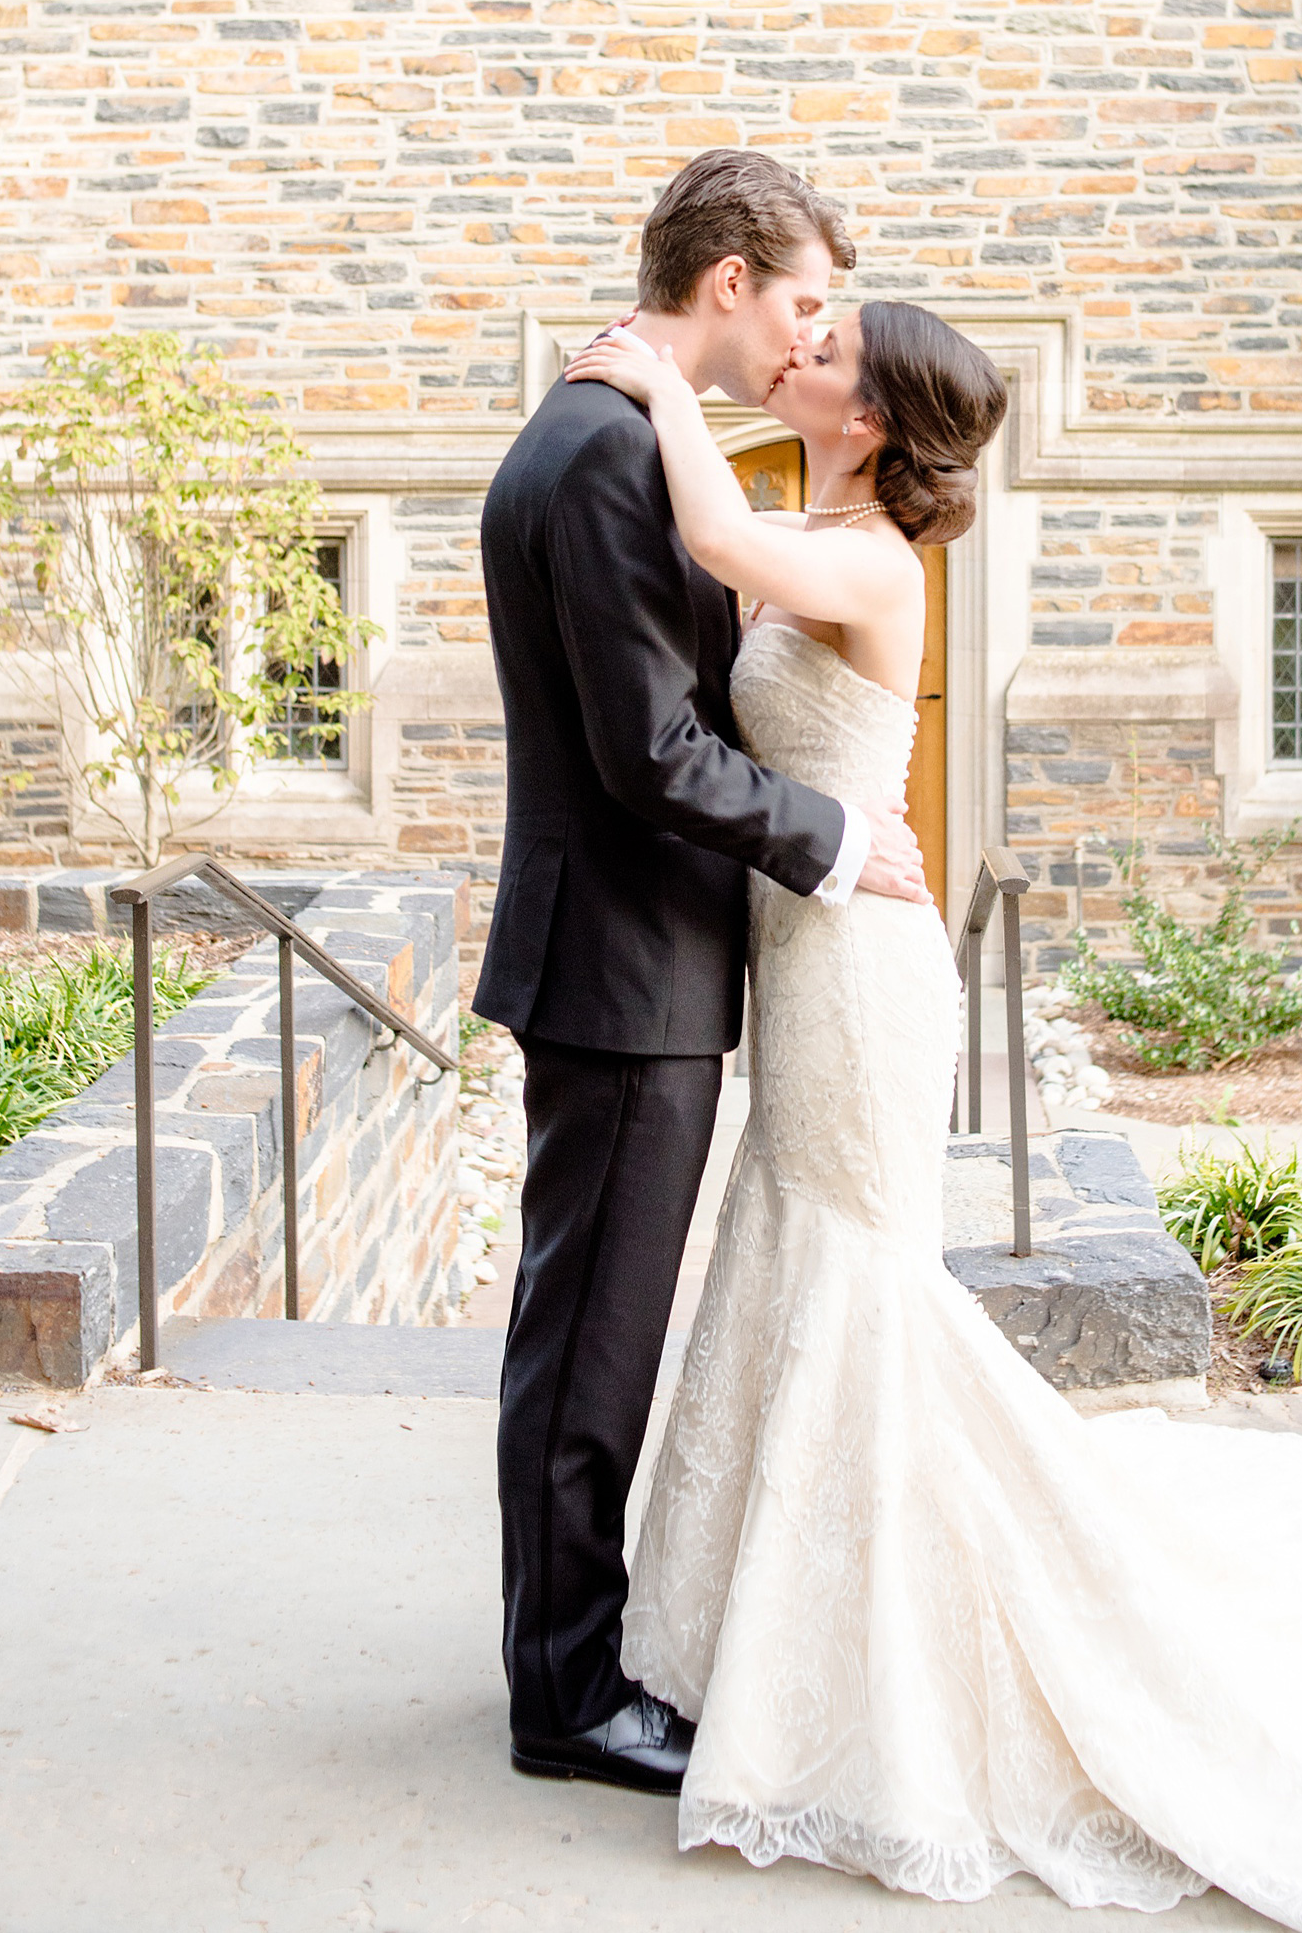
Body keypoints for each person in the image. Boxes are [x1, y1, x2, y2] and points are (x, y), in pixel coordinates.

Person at [565, 296, 1302, 1931]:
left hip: (862, 972)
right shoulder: (812, 506)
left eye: (827, 345)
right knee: (798, 1257)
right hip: (807, 948)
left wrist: (655, 373)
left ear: (868, 418)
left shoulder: (871, 556)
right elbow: (714, 557)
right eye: (800, 326)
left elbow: (706, 520)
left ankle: (895, 1655)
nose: (796, 343)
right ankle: (772, 1629)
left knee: (861, 1282)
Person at [473, 150, 930, 1797]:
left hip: (636, 960)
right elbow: (654, 753)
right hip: (623, 967)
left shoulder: (619, 429)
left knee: (585, 1332)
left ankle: (565, 1652)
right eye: (802, 301)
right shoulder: (604, 452)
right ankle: (568, 1696)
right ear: (727, 282)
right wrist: (825, 834)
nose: (808, 335)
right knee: (592, 1348)